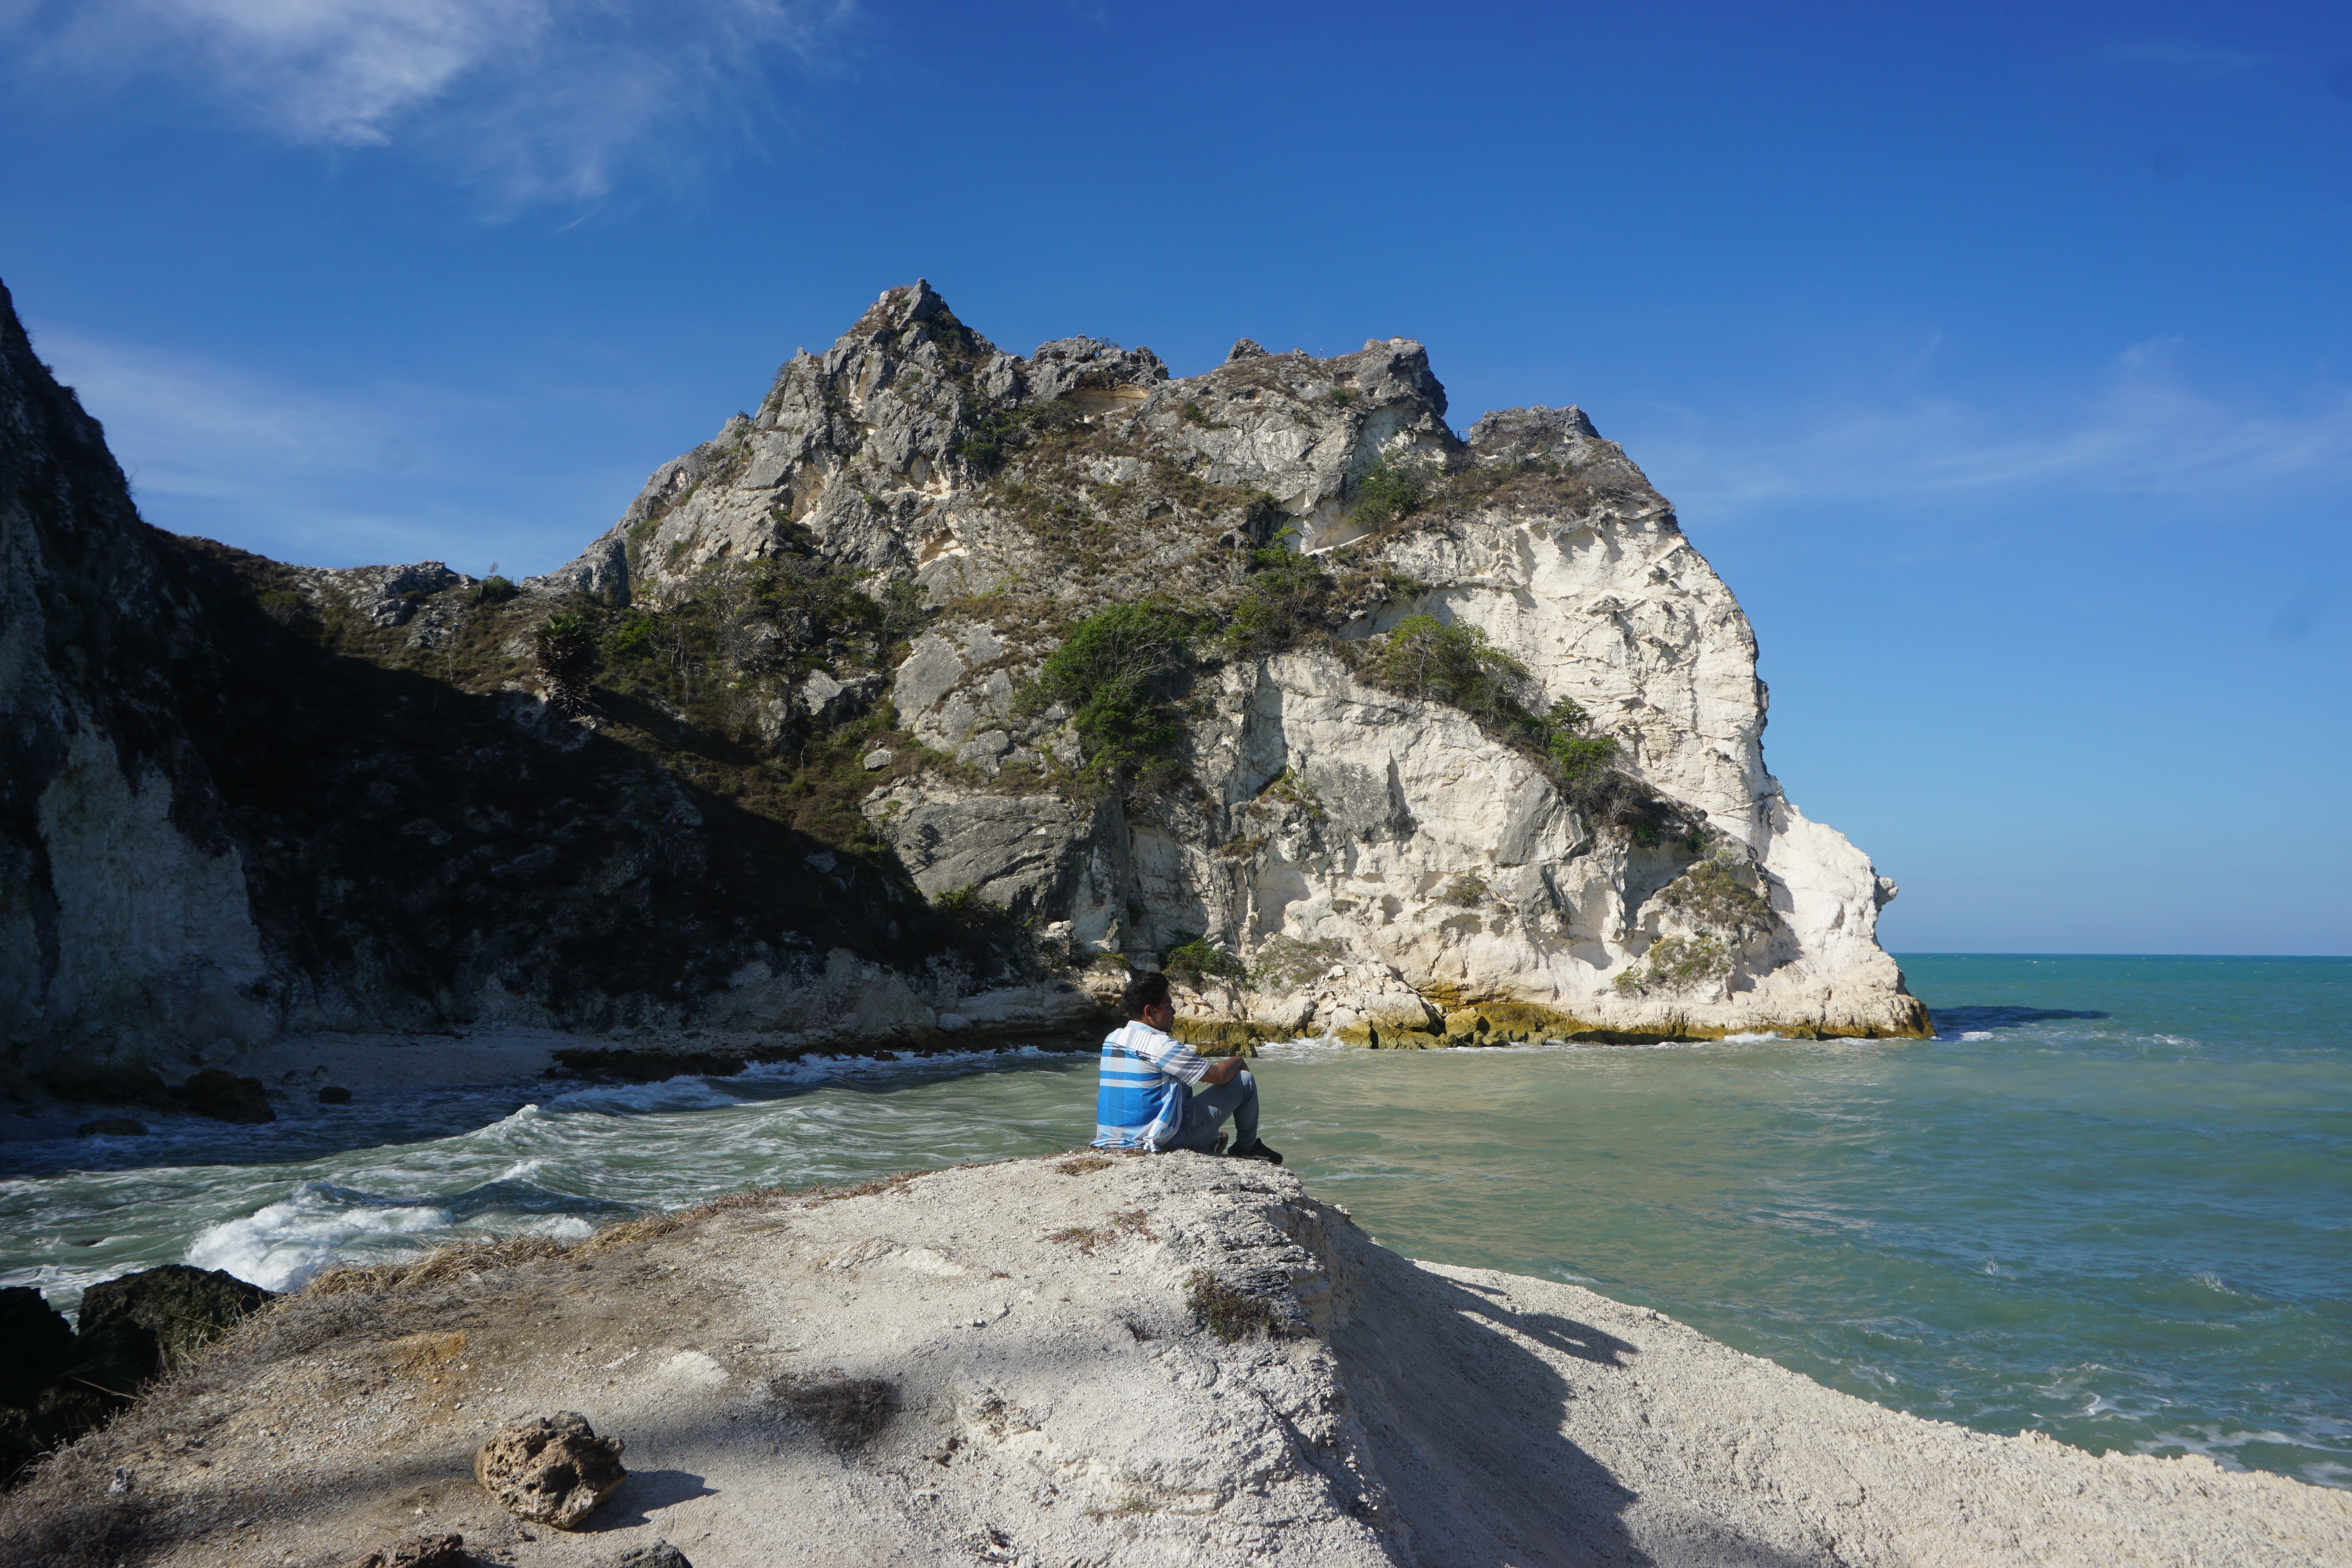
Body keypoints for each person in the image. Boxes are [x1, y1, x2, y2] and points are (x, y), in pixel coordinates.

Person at [1093, 970, 1282, 1162]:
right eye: (1168, 1006)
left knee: (1179, 1082)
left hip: (1109, 1141)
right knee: (1245, 1081)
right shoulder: (1159, 1045)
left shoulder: (1113, 1038)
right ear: (1149, 1012)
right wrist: (1238, 1059)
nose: (1174, 1012)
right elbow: (1219, 1076)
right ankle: (1247, 1147)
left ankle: (1209, 1142)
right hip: (1153, 1142)